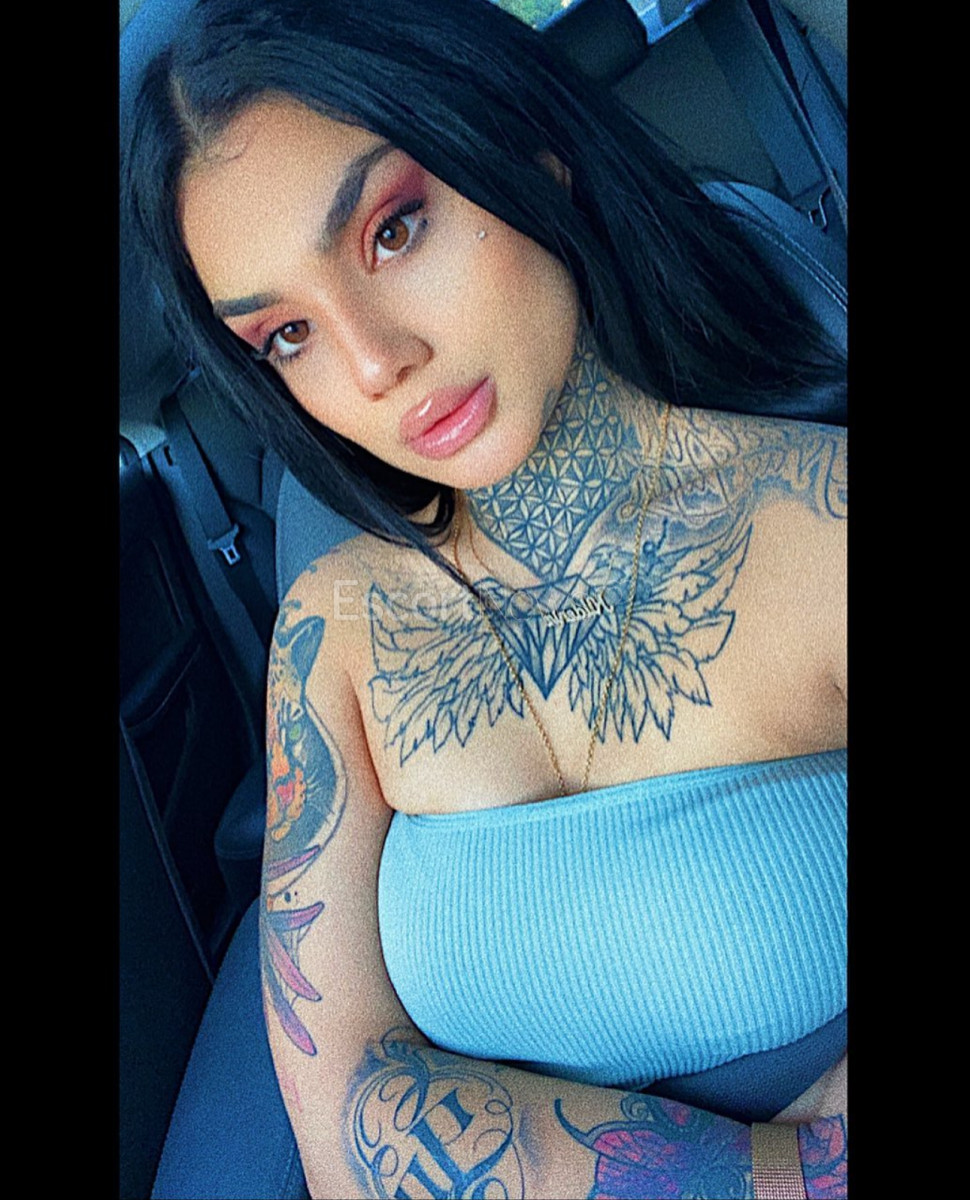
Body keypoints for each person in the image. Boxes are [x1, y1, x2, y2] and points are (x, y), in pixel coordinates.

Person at [125, 1, 847, 1196]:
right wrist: (791, 1171)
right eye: (289, 335)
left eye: (394, 229)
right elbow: (342, 1112)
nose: (373, 363)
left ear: (525, 147)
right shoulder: (332, 628)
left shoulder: (818, 526)